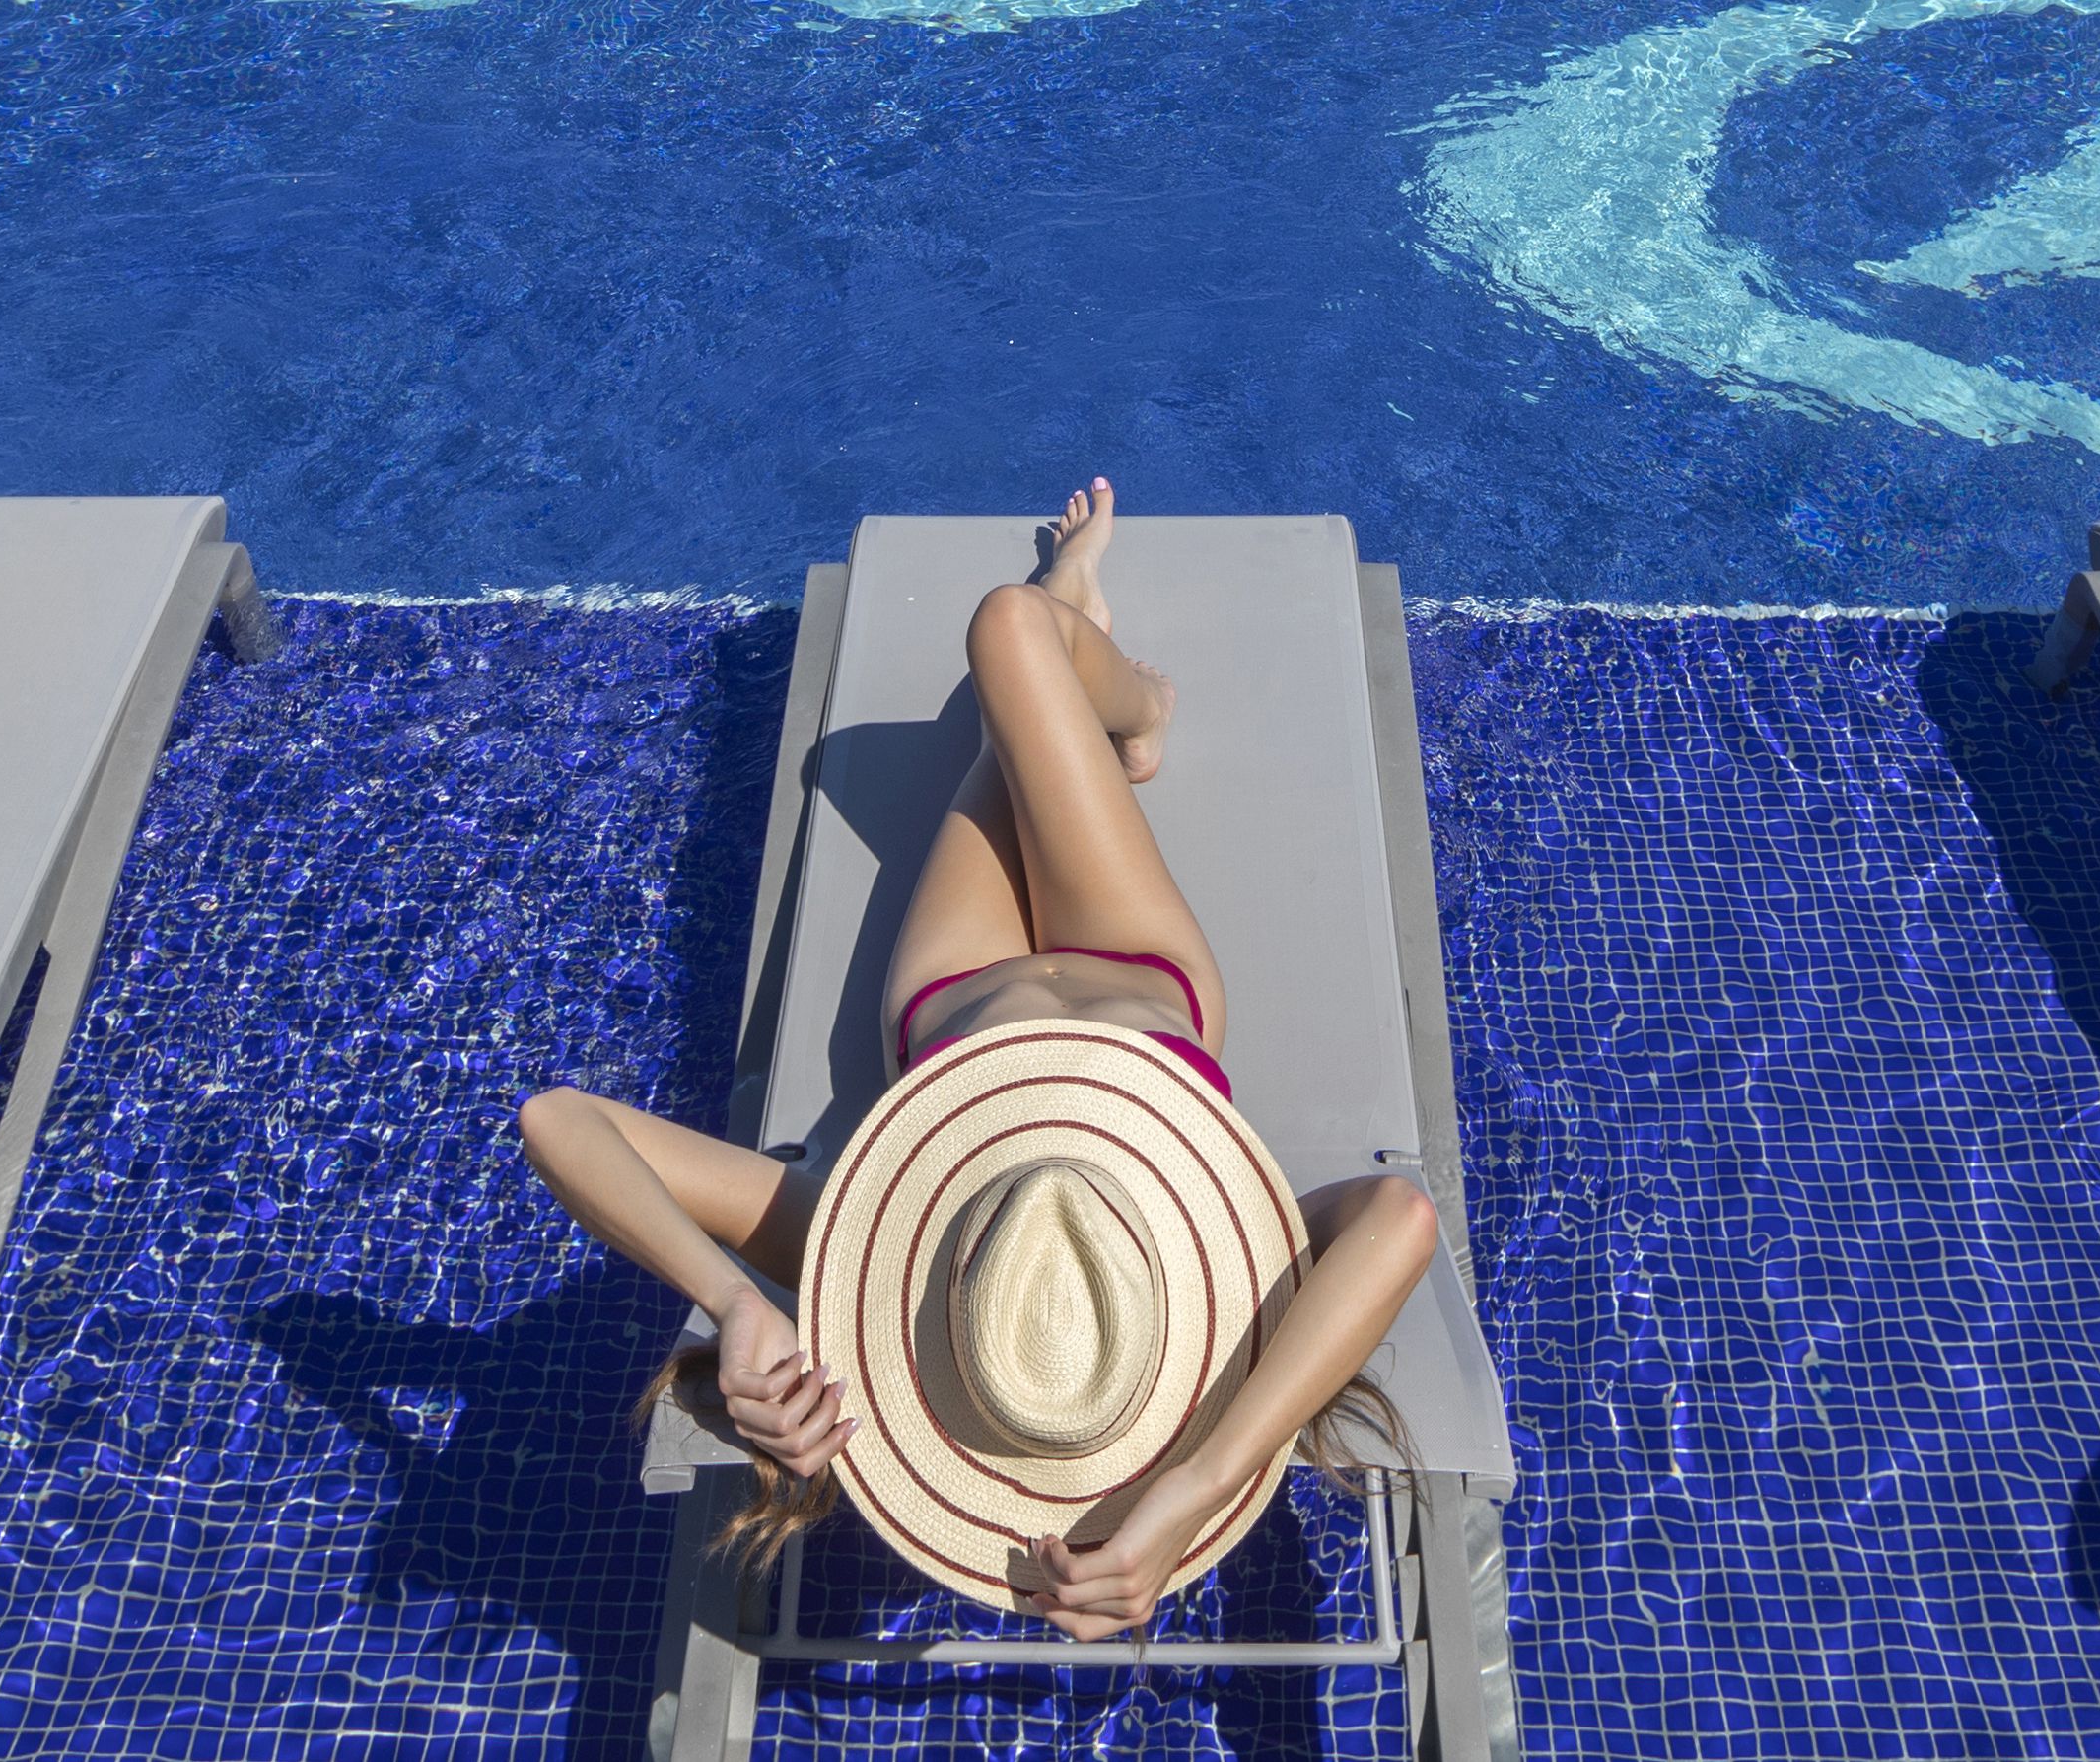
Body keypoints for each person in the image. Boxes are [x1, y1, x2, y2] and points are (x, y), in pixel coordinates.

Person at [516, 481, 1441, 1641]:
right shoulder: (1204, 1271)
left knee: (1012, 637)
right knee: (1013, 635)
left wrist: (732, 1299)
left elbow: (559, 1117)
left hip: (956, 982)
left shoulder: (869, 1247)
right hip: (1136, 957)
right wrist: (1204, 1482)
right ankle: (1132, 694)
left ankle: (1080, 632)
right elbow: (1400, 1216)